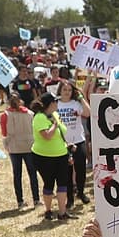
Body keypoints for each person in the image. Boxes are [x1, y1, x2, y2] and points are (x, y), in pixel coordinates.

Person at [31, 93, 71, 221]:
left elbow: (62, 133)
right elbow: (47, 136)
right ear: (50, 104)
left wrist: (68, 150)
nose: (57, 104)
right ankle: (48, 210)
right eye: (55, 101)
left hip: (61, 154)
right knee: (48, 183)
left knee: (62, 183)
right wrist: (54, 124)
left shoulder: (55, 115)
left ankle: (62, 212)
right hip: (44, 157)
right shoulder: (39, 118)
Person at [55, 77, 91, 205]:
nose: (67, 92)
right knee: (67, 172)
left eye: (69, 90)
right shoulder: (56, 104)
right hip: (62, 143)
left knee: (81, 169)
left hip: (78, 140)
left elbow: (88, 113)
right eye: (64, 89)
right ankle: (69, 198)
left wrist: (81, 98)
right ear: (60, 90)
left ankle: (80, 193)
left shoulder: (76, 103)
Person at [0, 93, 38, 208]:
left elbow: (4, 132)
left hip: (14, 147)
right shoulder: (30, 114)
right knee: (33, 174)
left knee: (17, 175)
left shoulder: (5, 115)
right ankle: (36, 199)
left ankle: (20, 201)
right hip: (29, 145)